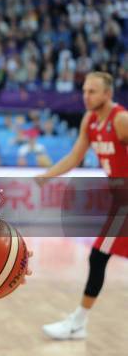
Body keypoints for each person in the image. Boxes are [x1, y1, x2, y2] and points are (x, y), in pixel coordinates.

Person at [40, 72, 128, 340]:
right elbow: (75, 156)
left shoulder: (121, 120)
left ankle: (78, 322)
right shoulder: (90, 121)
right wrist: (44, 177)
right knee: (98, 256)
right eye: (85, 90)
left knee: (98, 255)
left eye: (92, 91)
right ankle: (78, 322)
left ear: (108, 94)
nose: (86, 96)